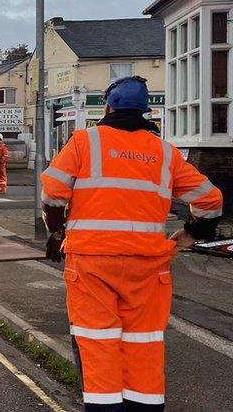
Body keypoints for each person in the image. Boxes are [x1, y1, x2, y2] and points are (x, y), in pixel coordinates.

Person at [41, 75, 223, 411]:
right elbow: (211, 200)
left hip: (92, 264)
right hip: (148, 267)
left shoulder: (85, 142)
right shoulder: (165, 153)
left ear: (108, 106)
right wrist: (190, 235)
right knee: (144, 345)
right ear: (146, 112)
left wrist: (56, 232)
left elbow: (53, 194)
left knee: (98, 344)